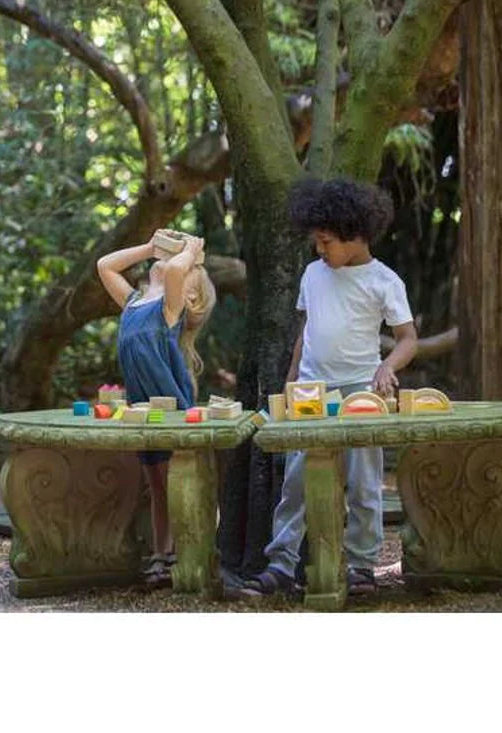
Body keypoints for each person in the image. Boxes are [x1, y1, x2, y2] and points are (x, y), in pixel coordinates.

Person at [245, 178, 418, 599]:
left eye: (326, 241)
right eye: (317, 241)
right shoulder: (312, 274)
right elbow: (305, 332)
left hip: (362, 390)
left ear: (356, 235)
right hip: (311, 390)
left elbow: (408, 338)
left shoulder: (384, 280)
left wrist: (387, 367)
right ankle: (282, 563)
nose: (319, 249)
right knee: (296, 479)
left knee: (364, 480)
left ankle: (361, 565)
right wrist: (291, 381)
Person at [97, 231, 217, 587]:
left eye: (186, 269)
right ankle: (161, 553)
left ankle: (186, 550)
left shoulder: (169, 309)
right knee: (157, 485)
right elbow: (105, 266)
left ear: (189, 295)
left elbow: (177, 272)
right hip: (143, 410)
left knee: (175, 481)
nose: (170, 264)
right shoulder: (133, 304)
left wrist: (192, 250)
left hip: (170, 406)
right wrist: (150, 247)